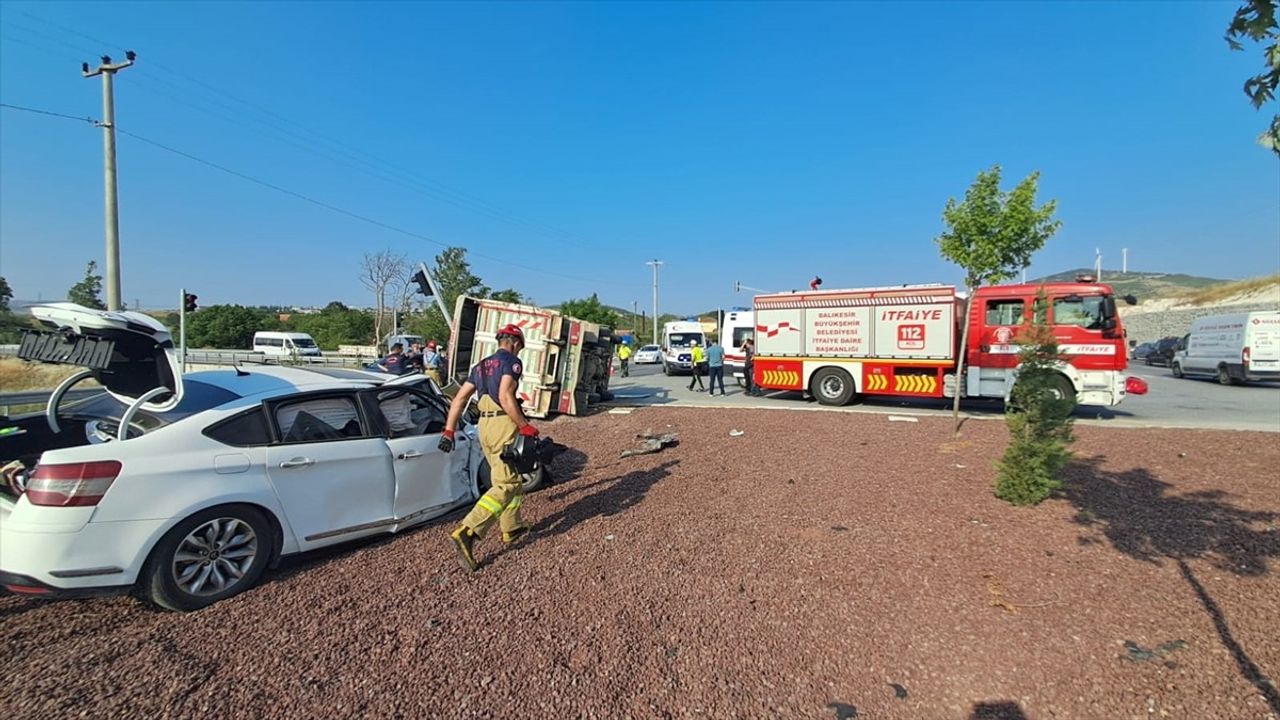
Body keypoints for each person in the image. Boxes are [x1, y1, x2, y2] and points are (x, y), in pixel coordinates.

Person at [438, 324, 538, 571]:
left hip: (485, 426)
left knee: (506, 476)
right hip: (504, 423)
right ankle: (468, 531)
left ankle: (511, 527)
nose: (520, 352)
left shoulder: (480, 366)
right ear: (515, 343)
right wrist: (524, 426)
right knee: (508, 484)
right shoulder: (511, 363)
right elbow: (505, 396)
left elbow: (459, 399)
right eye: (520, 347)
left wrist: (449, 431)